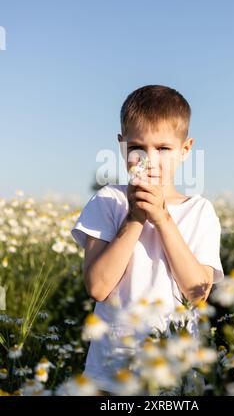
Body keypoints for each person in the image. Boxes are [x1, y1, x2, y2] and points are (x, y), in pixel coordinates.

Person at [71, 84, 224, 394]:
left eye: (164, 148)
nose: (150, 160)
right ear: (123, 146)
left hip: (175, 371)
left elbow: (198, 293)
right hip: (112, 371)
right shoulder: (108, 201)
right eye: (138, 147)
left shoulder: (200, 211)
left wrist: (163, 218)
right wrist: (136, 217)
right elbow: (98, 287)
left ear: (185, 150)